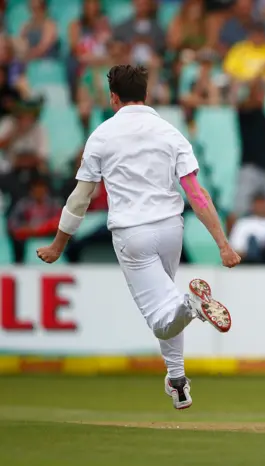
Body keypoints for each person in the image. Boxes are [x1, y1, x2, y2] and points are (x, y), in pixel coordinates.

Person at [35, 65, 241, 410]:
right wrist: (222, 243)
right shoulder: (170, 132)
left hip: (133, 235)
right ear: (145, 93)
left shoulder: (101, 134)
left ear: (113, 98)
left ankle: (193, 307)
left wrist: (58, 244)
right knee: (167, 302)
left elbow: (80, 198)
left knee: (162, 321)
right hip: (171, 229)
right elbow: (196, 194)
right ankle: (177, 382)